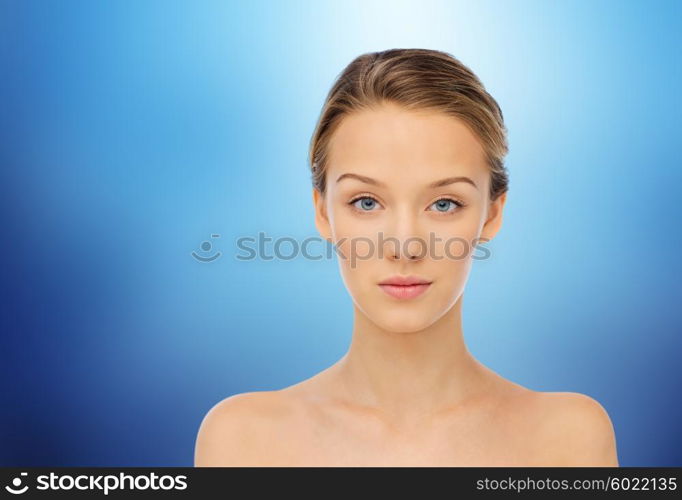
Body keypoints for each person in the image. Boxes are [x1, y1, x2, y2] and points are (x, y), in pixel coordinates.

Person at [194, 48, 618, 466]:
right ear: (323, 212)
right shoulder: (243, 440)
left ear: (492, 213)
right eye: (365, 202)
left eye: (445, 204)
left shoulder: (567, 437)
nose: (405, 246)